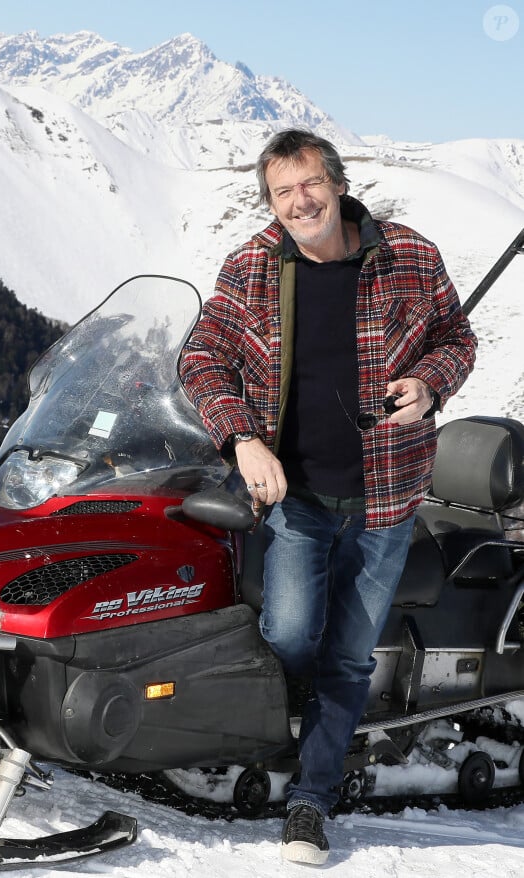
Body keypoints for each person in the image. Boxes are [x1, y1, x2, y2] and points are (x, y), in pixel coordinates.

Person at [179, 128, 477, 865]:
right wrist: (241, 440)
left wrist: (430, 382)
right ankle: (312, 724)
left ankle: (312, 801)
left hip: (388, 499)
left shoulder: (409, 254)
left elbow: (457, 336)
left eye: (310, 183)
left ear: (338, 183)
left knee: (347, 657)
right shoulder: (252, 267)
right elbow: (201, 356)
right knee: (287, 632)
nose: (299, 201)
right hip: (297, 498)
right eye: (283, 192)